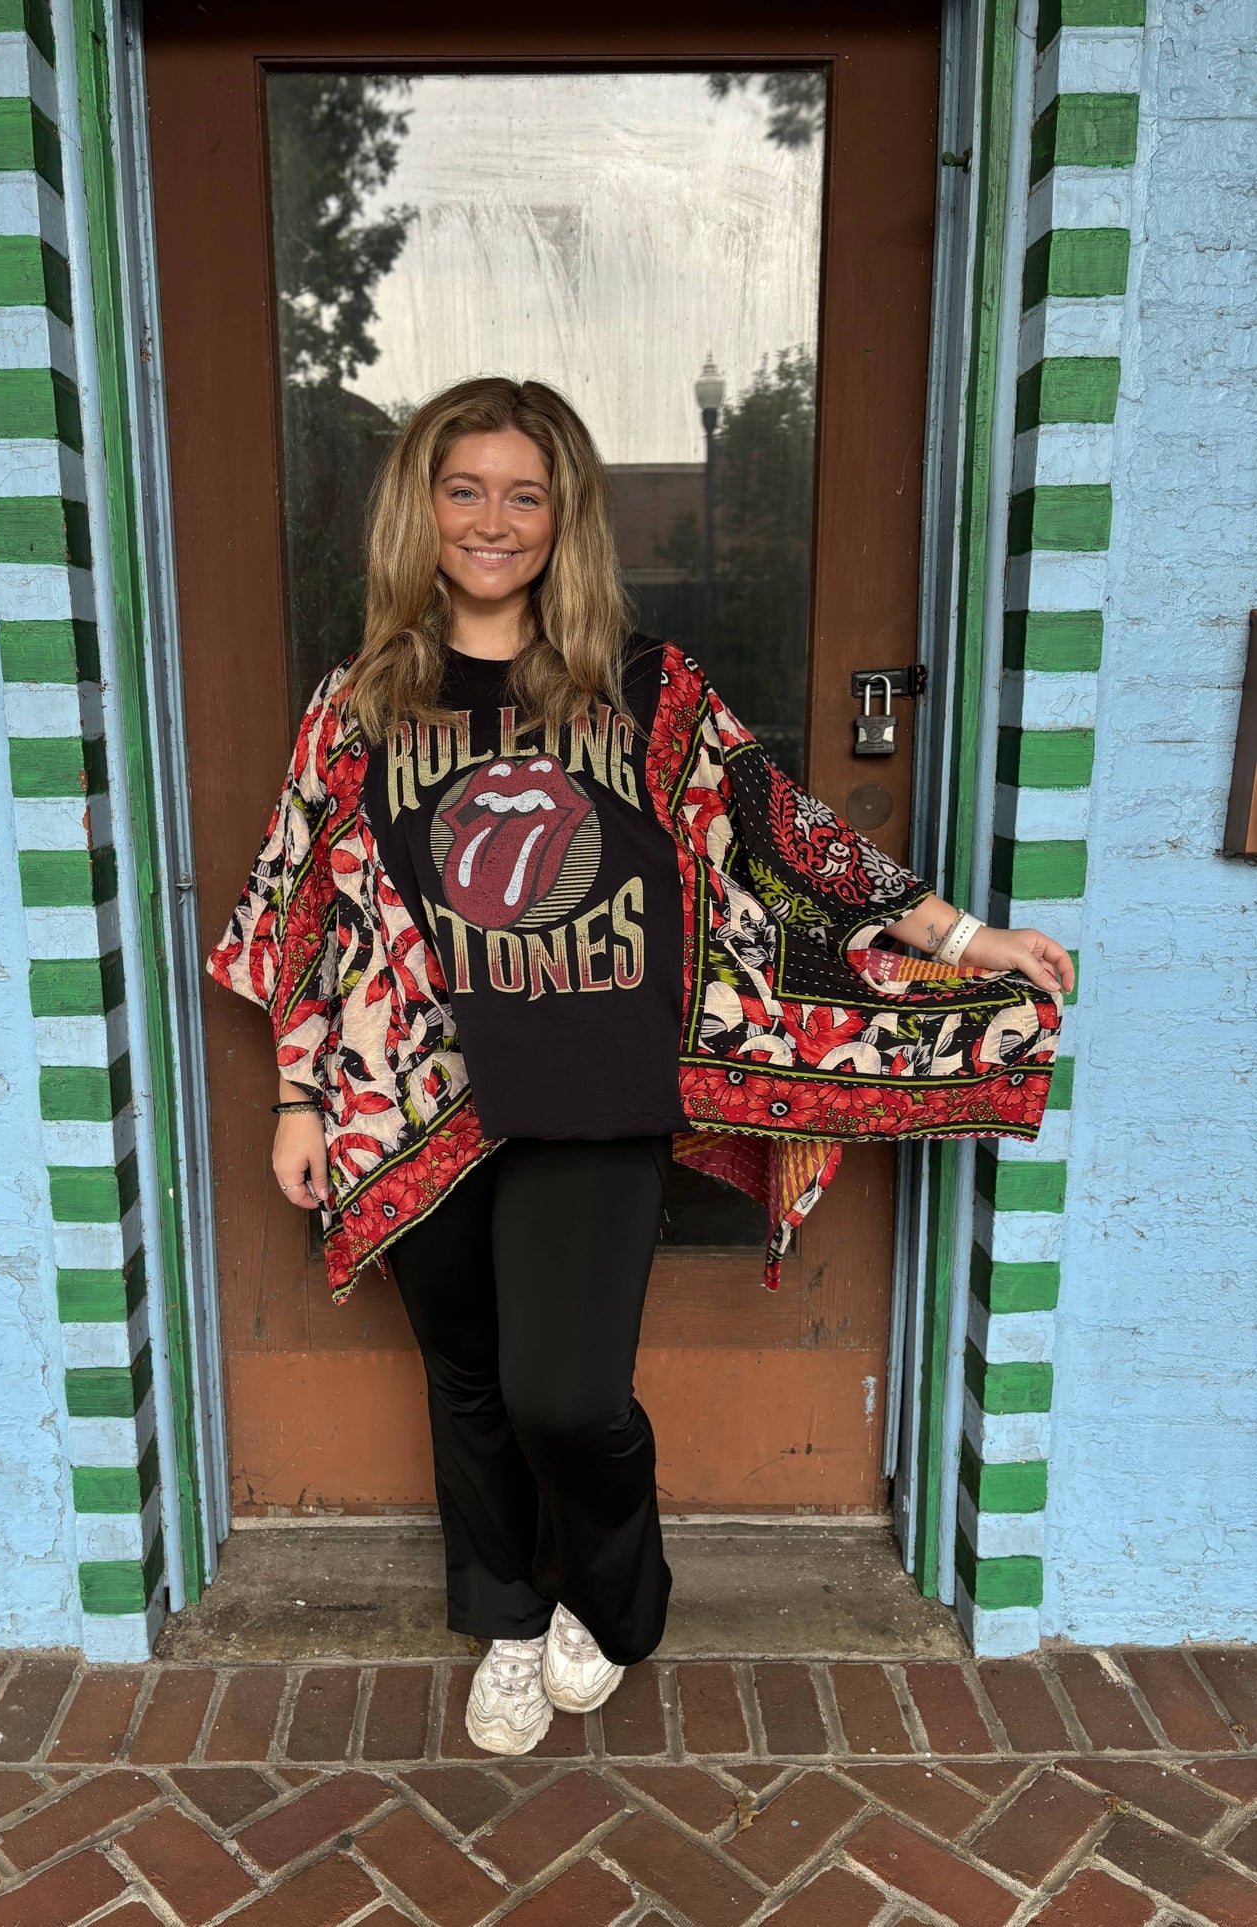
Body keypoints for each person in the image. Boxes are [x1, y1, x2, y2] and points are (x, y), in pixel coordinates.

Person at [209, 377, 1072, 1756]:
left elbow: (782, 830)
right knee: (468, 1379)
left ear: (565, 520)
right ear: (421, 508)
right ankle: (504, 1615)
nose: (493, 521)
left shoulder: (644, 687)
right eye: (464, 489)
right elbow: (306, 910)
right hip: (410, 1093)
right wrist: (298, 1094)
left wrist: (961, 936)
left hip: (596, 1086)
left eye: (526, 495)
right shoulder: (358, 703)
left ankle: (614, 1595)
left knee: (566, 1396)